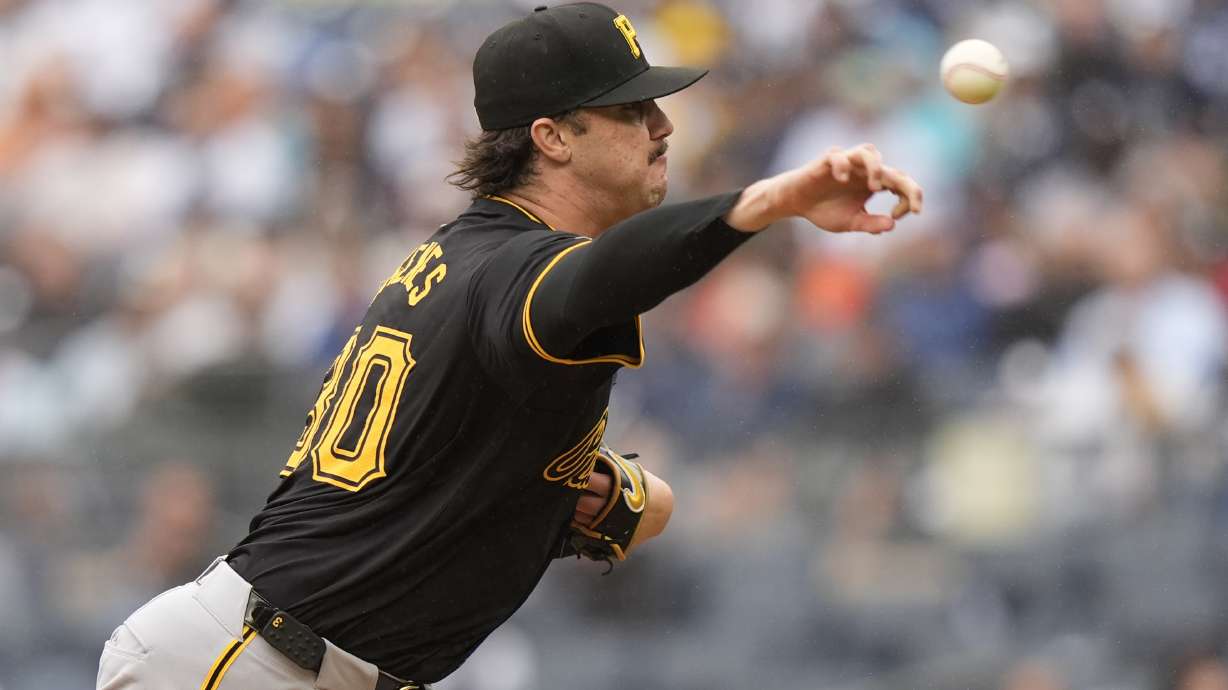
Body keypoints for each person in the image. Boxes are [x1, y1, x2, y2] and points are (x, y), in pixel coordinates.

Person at [96, 3, 923, 689]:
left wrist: (558, 496)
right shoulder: (517, 270)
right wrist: (768, 203)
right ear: (552, 137)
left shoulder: (471, 258)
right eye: (631, 109)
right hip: (258, 663)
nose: (663, 125)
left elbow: (450, 481)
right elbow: (606, 277)